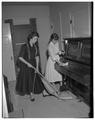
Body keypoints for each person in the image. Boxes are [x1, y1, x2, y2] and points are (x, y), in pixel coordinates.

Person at [15, 32, 44, 101]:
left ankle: (34, 91)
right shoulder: (24, 46)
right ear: (30, 38)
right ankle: (31, 94)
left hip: (33, 64)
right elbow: (20, 57)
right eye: (35, 38)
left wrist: (37, 66)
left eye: (37, 39)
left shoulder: (35, 46)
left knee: (35, 79)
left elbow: (37, 57)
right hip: (26, 66)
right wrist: (28, 63)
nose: (36, 40)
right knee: (29, 80)